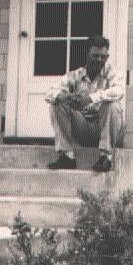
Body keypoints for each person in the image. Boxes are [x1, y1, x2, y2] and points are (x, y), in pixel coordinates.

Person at [45, 35, 124, 172]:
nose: (99, 60)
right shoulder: (75, 75)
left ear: (107, 57)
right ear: (87, 54)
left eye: (103, 56)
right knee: (56, 103)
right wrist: (66, 96)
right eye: (95, 56)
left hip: (109, 129)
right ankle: (67, 156)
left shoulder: (112, 73)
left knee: (112, 103)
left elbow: (119, 91)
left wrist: (91, 98)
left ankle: (105, 157)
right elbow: (50, 93)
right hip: (83, 129)